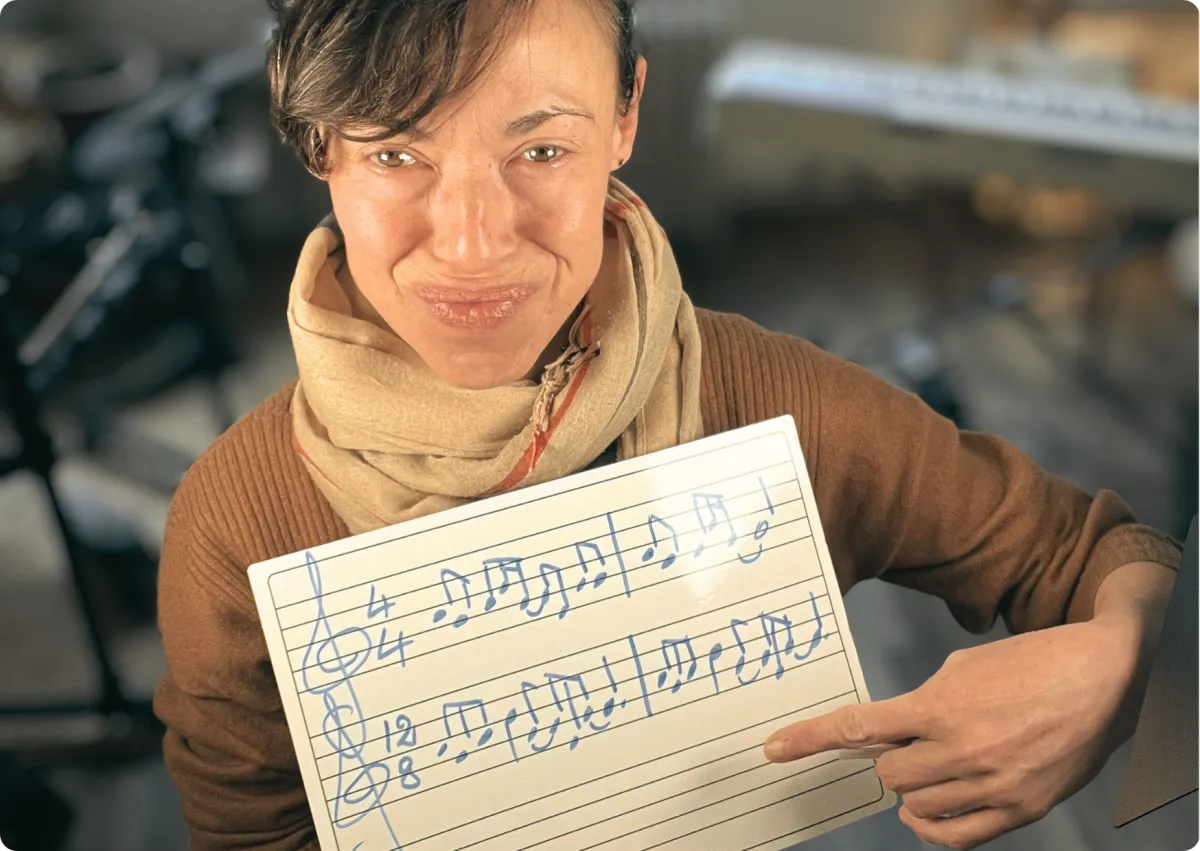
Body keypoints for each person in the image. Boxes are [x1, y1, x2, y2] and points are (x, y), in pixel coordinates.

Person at [152, 0, 1182, 849]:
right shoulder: (237, 522)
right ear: (316, 141)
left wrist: (1119, 663)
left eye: (542, 147)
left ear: (626, 114)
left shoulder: (776, 405)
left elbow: (1082, 552)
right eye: (394, 154)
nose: (472, 243)